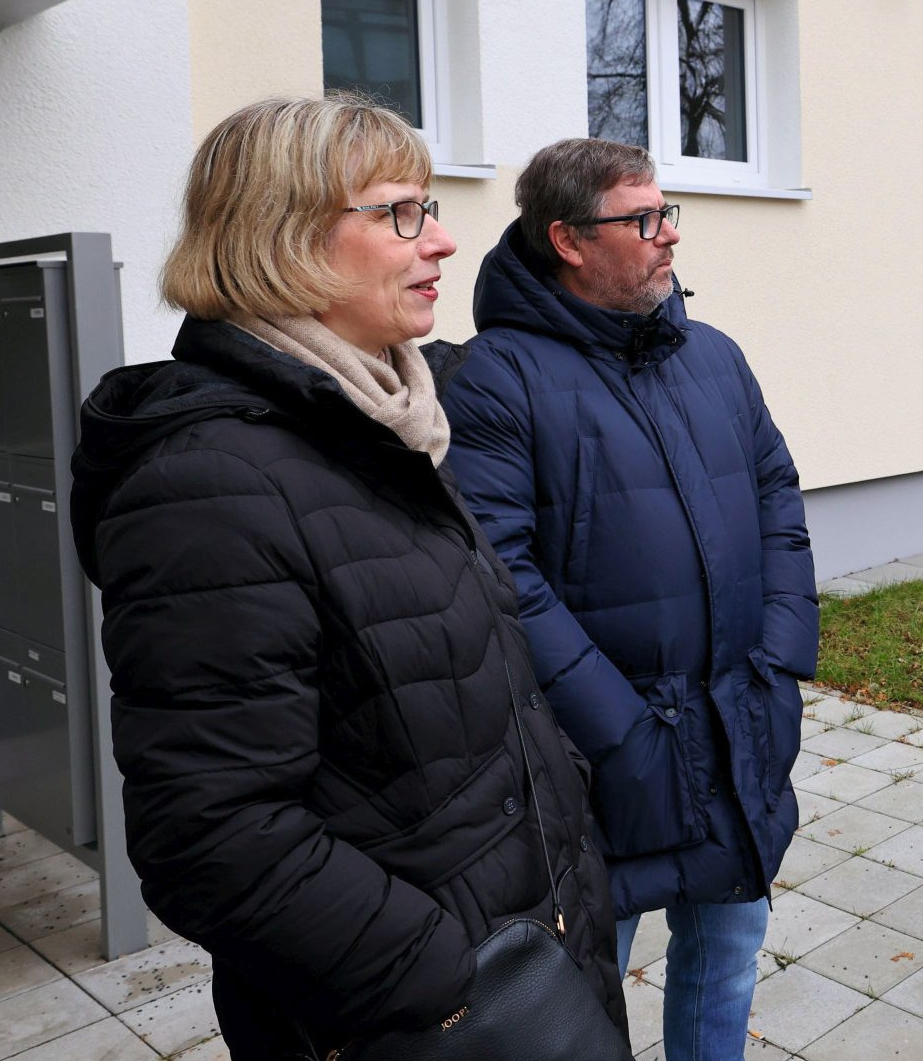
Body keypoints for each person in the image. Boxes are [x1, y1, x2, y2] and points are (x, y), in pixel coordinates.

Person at [68, 96, 627, 1059]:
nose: (445, 241)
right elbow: (213, 841)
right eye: (403, 211)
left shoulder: (387, 421)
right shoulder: (210, 483)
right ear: (284, 238)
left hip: (533, 948)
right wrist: (449, 983)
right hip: (427, 1014)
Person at [441, 137, 817, 1060]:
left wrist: (777, 662)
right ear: (567, 239)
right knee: (578, 1000)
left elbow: (779, 503)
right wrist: (627, 733)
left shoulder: (715, 357)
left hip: (734, 727)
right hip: (602, 762)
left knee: (725, 961)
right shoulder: (501, 377)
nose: (668, 237)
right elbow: (503, 579)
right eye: (642, 219)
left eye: (668, 213)